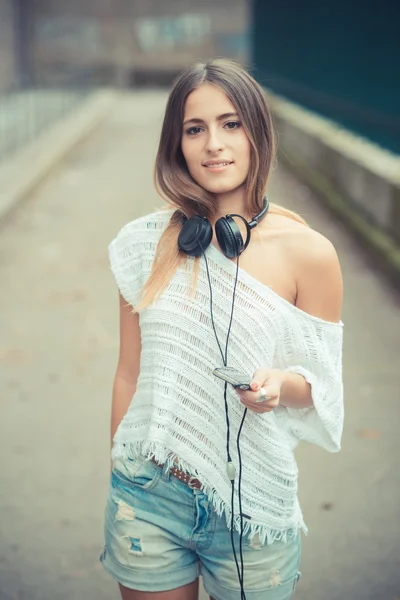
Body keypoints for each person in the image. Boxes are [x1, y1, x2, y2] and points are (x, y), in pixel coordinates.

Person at [100, 58, 344, 600]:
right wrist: (121, 475)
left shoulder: (310, 254)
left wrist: (280, 385)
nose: (214, 143)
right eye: (195, 128)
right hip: (148, 494)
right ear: (177, 144)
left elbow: (322, 387)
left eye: (231, 123)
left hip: (252, 503)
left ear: (257, 132)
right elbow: (128, 373)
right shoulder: (143, 245)